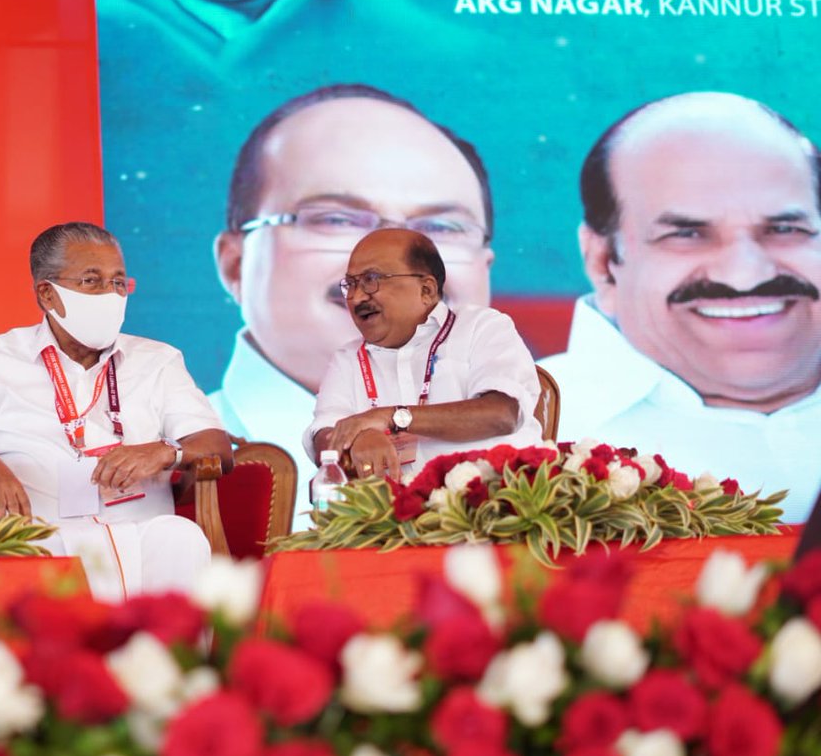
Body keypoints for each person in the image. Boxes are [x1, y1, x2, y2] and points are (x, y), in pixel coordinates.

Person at [209, 84, 496, 525]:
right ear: (236, 265)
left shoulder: (552, 453)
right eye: (336, 219)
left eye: (441, 226)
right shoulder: (172, 452)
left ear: (485, 265)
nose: (394, 260)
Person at [0, 222, 232, 601]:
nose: (111, 294)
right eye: (92, 281)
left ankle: (175, 661)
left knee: (181, 536)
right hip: (41, 535)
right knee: (25, 558)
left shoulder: (158, 360)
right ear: (48, 294)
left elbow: (216, 446)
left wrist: (164, 451)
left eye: (119, 283)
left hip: (143, 530)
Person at [539, 92, 821, 523]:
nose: (745, 275)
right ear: (603, 263)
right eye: (687, 234)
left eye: (785, 228)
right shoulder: (514, 432)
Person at [305, 228, 540, 482]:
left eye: (371, 280)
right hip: (396, 515)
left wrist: (391, 417)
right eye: (350, 284)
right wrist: (360, 435)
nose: (356, 297)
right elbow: (323, 438)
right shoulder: (349, 358)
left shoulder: (481, 327)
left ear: (426, 290)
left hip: (495, 504)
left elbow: (502, 414)